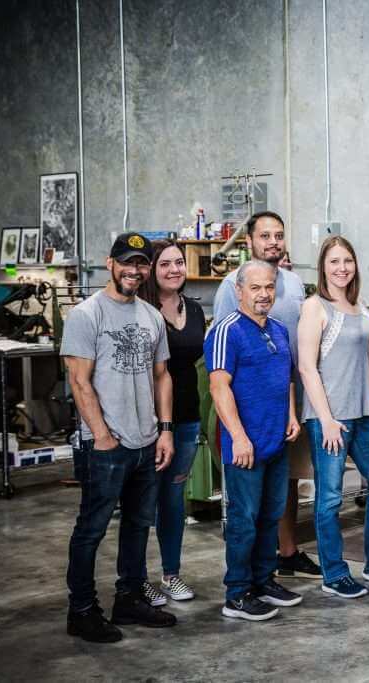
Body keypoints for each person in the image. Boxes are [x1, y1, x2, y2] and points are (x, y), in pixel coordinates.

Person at [62, 232, 176, 643]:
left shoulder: (150, 316)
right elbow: (79, 381)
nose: (134, 269)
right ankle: (82, 610)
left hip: (147, 442)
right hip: (106, 446)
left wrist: (164, 431)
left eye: (141, 263)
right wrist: (102, 437)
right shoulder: (86, 314)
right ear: (109, 263)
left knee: (138, 525)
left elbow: (163, 376)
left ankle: (128, 598)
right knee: (91, 529)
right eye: (126, 262)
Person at [213, 211, 320, 579]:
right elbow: (223, 366)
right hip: (246, 412)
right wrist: (237, 430)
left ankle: (281, 558)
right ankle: (242, 584)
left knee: (280, 489)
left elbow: (288, 352)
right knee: (247, 506)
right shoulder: (232, 287)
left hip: (283, 407)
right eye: (265, 236)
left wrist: (291, 410)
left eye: (279, 235)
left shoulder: (290, 286)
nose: (273, 242)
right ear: (250, 242)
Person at [206, 259, 302, 622]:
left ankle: (264, 581)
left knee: (270, 515)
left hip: (275, 440)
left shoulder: (277, 329)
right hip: (244, 447)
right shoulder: (227, 330)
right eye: (255, 288)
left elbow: (287, 379)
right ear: (239, 291)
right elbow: (219, 386)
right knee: (244, 521)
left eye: (269, 287)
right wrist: (239, 437)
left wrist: (290, 415)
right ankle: (237, 593)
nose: (264, 295)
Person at [297, 236, 369, 599]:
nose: (342, 268)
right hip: (330, 418)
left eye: (347, 260)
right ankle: (334, 574)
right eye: (334, 262)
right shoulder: (315, 307)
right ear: (323, 267)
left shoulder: (360, 306)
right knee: (331, 497)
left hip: (364, 414)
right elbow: (306, 366)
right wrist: (327, 419)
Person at [137, 240, 205, 605]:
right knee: (143, 501)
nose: (175, 269)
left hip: (187, 417)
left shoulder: (193, 309)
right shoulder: (141, 311)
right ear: (151, 269)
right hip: (148, 420)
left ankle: (171, 574)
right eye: (166, 264)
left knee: (174, 498)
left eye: (179, 262)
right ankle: (136, 578)